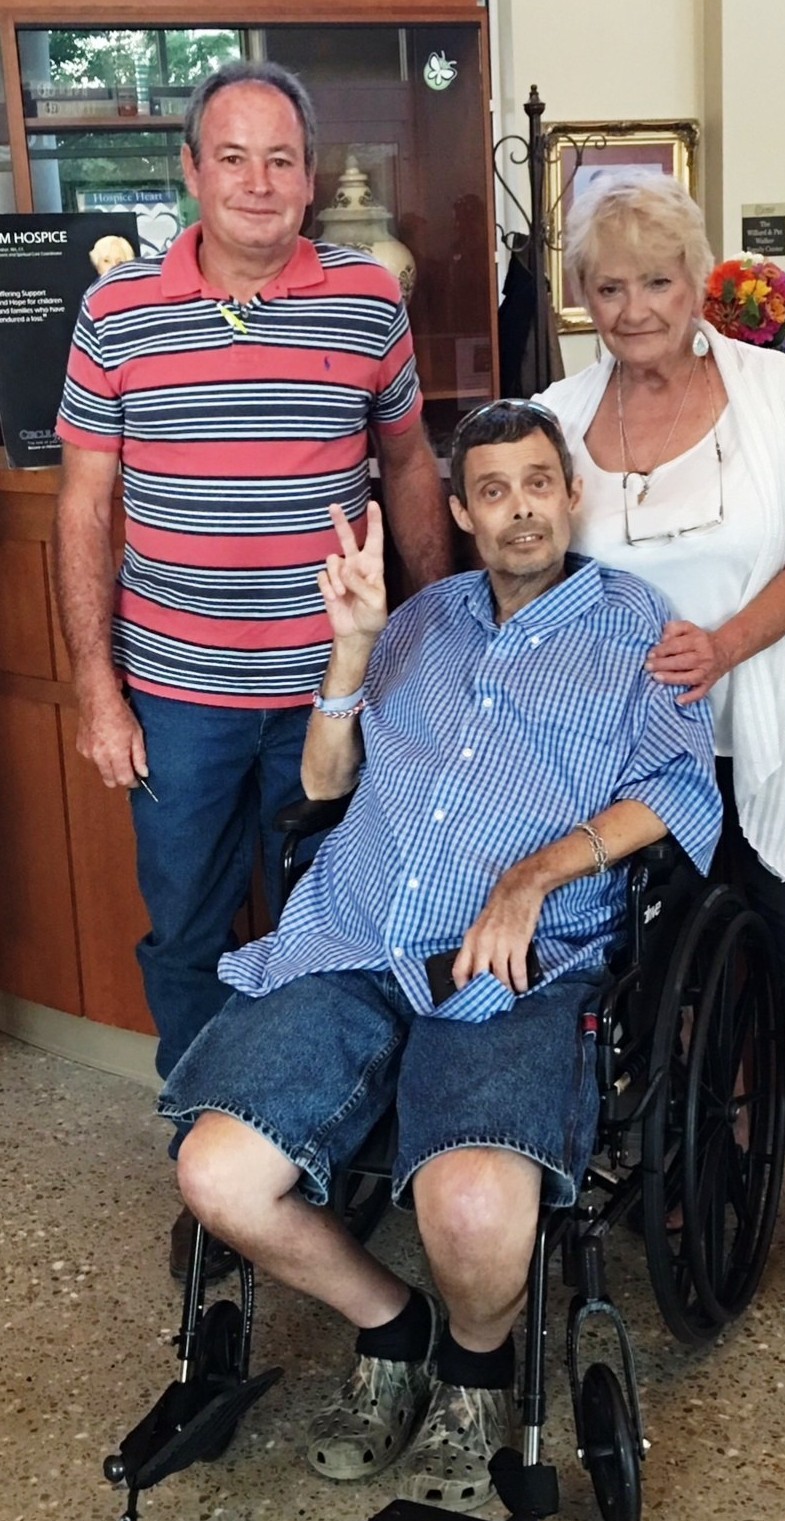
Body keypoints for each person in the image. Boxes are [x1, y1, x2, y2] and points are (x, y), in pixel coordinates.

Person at [159, 399, 722, 1509]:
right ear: (462, 512)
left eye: (539, 484)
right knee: (215, 1175)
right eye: (494, 491)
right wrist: (351, 648)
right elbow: (321, 786)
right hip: (354, 937)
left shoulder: (636, 628)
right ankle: (394, 1325)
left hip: (515, 969)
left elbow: (676, 790)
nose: (522, 510)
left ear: (572, 494)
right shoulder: (418, 621)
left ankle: (473, 1369)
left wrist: (531, 877)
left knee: (469, 1209)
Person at [52, 60, 451, 1281]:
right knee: (185, 930)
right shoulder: (117, 311)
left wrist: (434, 637)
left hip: (335, 690)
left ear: (312, 177)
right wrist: (95, 689)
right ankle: (212, 1165)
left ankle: (319, 1154)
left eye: (281, 159)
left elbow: (410, 466)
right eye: (233, 157)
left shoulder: (365, 300)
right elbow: (83, 510)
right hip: (176, 697)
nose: (259, 182)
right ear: (190, 172)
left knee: (338, 928)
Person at [537, 170, 785, 1321]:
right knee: (658, 967)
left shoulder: (775, 391)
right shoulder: (557, 414)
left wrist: (722, 645)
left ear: (695, 285)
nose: (632, 308)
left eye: (655, 282)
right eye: (608, 287)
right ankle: (691, 1161)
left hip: (768, 720)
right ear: (583, 296)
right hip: (633, 751)